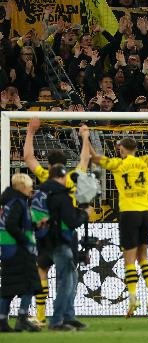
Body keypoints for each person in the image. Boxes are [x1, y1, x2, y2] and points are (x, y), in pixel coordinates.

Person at [92, 131, 148, 316]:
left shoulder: (118, 164)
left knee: (129, 259)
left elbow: (94, 158)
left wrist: (85, 137)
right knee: (143, 256)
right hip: (147, 212)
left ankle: (133, 298)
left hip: (129, 212)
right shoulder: (145, 161)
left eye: (120, 149)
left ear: (123, 149)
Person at [23, 119, 91, 325]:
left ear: (50, 165)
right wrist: (85, 136)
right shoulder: (71, 178)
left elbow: (28, 157)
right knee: (68, 275)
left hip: (46, 232)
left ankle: (41, 317)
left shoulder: (45, 177)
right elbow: (85, 159)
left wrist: (30, 132)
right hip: (68, 231)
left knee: (42, 270)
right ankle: (64, 316)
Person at [41, 165, 90, 331]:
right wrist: (84, 214)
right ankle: (57, 321)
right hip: (61, 241)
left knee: (70, 278)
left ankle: (68, 316)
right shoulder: (63, 196)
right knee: (66, 283)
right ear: (62, 177)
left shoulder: (42, 193)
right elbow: (71, 222)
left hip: (45, 241)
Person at [0, 173, 40, 332]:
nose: (32, 188)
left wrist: (36, 225)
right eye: (30, 185)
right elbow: (12, 225)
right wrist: (26, 240)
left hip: (7, 249)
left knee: (8, 288)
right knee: (31, 283)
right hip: (19, 250)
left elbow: (15, 224)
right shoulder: (18, 202)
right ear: (23, 186)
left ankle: (2, 321)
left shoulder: (8, 202)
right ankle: (22, 319)